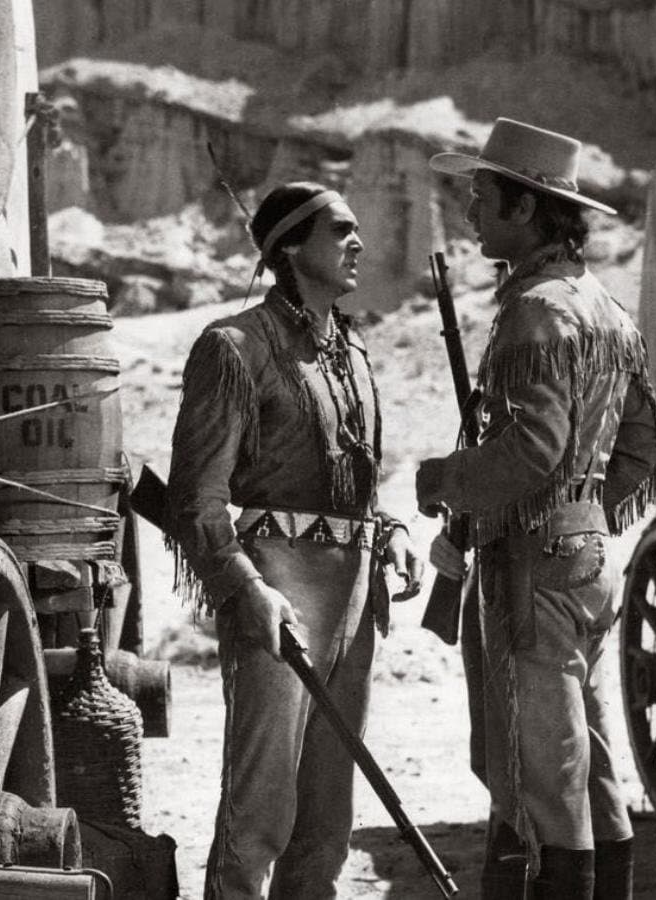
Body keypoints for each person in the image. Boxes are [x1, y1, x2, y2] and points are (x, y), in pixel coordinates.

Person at [417, 119, 656, 900]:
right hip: (587, 564)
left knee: (537, 779)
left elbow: (531, 451)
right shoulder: (606, 310)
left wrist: (444, 481)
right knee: (588, 764)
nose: (469, 211)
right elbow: (644, 450)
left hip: (532, 572)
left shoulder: (534, 313)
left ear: (526, 210)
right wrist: (584, 515)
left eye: (482, 196)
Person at [164, 182, 424, 898]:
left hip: (354, 601)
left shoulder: (355, 354)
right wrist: (247, 590)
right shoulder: (234, 347)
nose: (358, 243)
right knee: (258, 820)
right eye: (339, 229)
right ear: (288, 246)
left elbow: (362, 484)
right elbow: (197, 499)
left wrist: (391, 530)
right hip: (278, 594)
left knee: (327, 825)